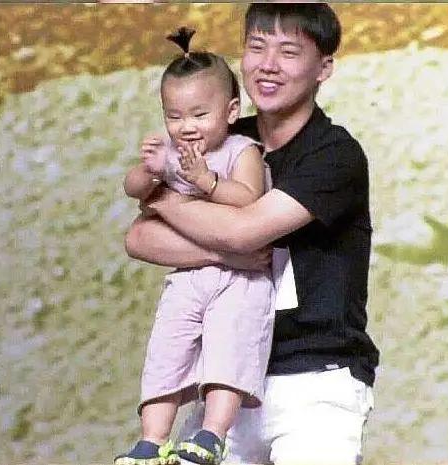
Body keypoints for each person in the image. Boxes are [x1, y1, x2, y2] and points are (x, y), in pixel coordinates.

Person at [126, 4, 379, 464]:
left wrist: (164, 201)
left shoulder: (334, 155)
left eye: (288, 52)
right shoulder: (217, 138)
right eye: (257, 47)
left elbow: (245, 233)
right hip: (225, 378)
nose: (268, 65)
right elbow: (140, 239)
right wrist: (220, 250)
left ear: (324, 68)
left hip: (315, 380)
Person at [116, 27, 275, 465]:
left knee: (229, 351)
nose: (186, 128)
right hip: (187, 277)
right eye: (174, 116)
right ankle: (152, 440)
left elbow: (249, 199)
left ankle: (212, 433)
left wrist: (207, 181)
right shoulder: (170, 152)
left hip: (238, 280)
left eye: (199, 115)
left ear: (231, 111)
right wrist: (149, 171)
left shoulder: (242, 150)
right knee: (166, 351)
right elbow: (133, 189)